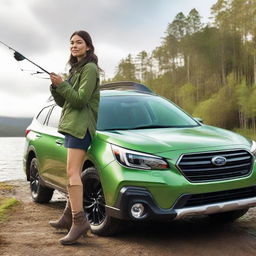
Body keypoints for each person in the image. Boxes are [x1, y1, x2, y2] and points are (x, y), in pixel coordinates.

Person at [49, 30, 100, 245]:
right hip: (72, 127)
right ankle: (69, 216)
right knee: (73, 173)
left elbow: (79, 100)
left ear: (88, 46)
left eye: (79, 42)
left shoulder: (89, 69)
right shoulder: (76, 69)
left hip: (82, 128)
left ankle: (79, 222)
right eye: (71, 43)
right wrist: (56, 87)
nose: (74, 45)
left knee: (72, 173)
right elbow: (65, 103)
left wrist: (63, 84)